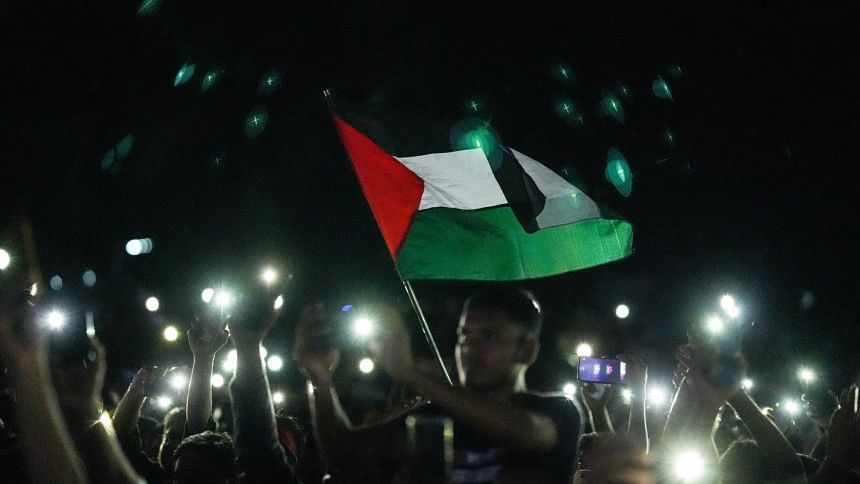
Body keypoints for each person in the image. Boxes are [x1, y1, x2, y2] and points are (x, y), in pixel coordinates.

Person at [296, 287, 582, 483]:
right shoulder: (430, 419)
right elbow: (346, 456)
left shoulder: (558, 411)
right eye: (464, 335)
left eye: (489, 336)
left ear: (526, 350)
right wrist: (320, 380)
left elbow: (524, 430)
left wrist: (410, 372)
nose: (469, 347)